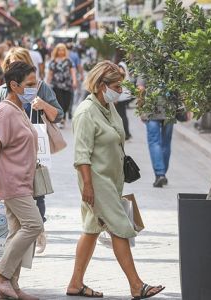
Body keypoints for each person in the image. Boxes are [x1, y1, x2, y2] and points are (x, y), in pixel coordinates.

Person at [67, 61, 165, 299]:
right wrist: (88, 186)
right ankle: (136, 285)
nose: (120, 90)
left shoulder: (107, 107)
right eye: (117, 86)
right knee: (121, 228)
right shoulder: (86, 112)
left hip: (111, 179)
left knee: (91, 229)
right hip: (96, 182)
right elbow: (81, 155)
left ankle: (75, 283)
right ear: (102, 85)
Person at [0, 61, 43, 300]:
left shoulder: (19, 108)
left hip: (23, 180)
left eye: (36, 83)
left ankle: (11, 288)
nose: (35, 88)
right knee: (34, 225)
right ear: (14, 85)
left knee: (16, 232)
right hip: (12, 182)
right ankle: (0, 273)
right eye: (30, 84)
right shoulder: (4, 111)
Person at [0, 47, 64, 254]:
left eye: (18, 62)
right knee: (13, 195)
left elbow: (58, 115)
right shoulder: (3, 92)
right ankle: (20, 238)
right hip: (10, 150)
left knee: (37, 190)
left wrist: (43, 106)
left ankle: (35, 231)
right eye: (11, 64)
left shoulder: (41, 88)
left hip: (36, 146)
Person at [137, 78, 173, 188]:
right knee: (166, 143)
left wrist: (140, 108)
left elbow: (141, 88)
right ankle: (163, 173)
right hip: (169, 109)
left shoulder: (146, 62)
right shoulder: (172, 62)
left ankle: (160, 173)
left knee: (154, 142)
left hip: (151, 109)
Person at [47, 43, 77, 128]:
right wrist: (47, 83)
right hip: (56, 85)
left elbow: (73, 72)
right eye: (59, 50)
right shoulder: (53, 61)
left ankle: (64, 115)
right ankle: (62, 119)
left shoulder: (69, 61)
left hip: (67, 84)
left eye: (63, 50)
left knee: (67, 102)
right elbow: (50, 74)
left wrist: (74, 81)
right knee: (60, 102)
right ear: (56, 51)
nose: (61, 51)